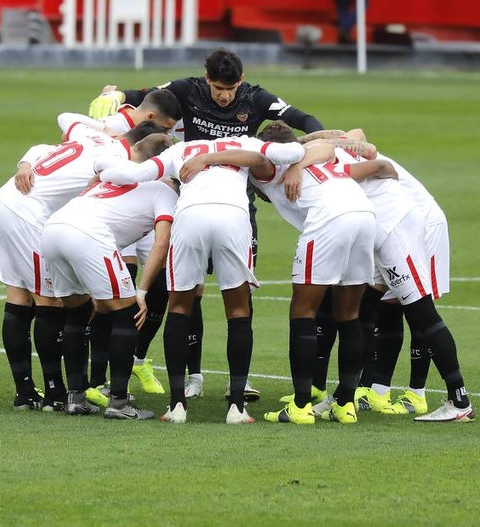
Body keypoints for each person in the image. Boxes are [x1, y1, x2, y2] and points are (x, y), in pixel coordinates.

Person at [88, 47, 325, 401]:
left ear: (240, 82)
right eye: (218, 90)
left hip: (239, 206)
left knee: (241, 292)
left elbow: (308, 121)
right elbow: (146, 98)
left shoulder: (257, 99)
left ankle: (238, 381)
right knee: (187, 292)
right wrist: (118, 95)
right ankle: (187, 374)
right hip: (190, 198)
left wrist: (296, 164)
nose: (225, 97)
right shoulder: (187, 90)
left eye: (230, 90)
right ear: (207, 80)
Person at [99, 134, 306, 425]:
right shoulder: (246, 142)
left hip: (189, 217)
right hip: (232, 217)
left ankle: (176, 406)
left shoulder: (180, 149)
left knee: (180, 306)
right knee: (238, 310)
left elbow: (134, 173)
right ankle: (236, 407)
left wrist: (100, 170)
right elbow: (293, 151)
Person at [0, 120, 169, 413]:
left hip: (9, 201)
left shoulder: (94, 137)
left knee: (22, 297)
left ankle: (41, 393)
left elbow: (56, 132)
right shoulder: (122, 162)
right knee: (52, 302)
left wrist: (25, 163)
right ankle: (57, 395)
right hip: (31, 213)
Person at [311, 127, 475, 422]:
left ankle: (446, 399)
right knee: (365, 308)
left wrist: (312, 142)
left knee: (420, 312)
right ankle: (350, 394)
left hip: (416, 225)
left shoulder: (327, 160)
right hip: (381, 227)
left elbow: (362, 139)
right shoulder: (321, 159)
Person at [251, 125, 390, 424]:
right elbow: (330, 145)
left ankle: (301, 406)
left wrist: (294, 167)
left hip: (329, 219)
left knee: (303, 311)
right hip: (364, 216)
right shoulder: (319, 155)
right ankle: (345, 404)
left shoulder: (268, 164)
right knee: (349, 314)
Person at [41, 176, 178, 421]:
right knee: (127, 315)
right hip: (87, 234)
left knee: (76, 314)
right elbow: (162, 243)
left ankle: (76, 399)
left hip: (52, 230)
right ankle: (119, 403)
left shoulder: (119, 181)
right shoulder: (166, 192)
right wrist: (142, 292)